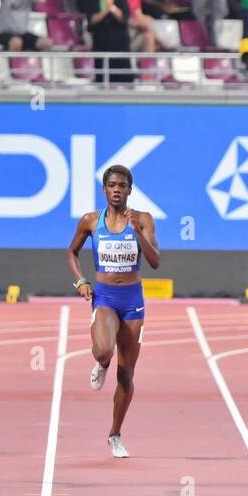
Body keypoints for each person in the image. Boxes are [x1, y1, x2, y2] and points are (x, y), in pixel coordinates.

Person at [67, 165, 160, 458]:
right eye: (111, 185)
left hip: (132, 299)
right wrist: (81, 281)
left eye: (122, 185)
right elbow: (71, 252)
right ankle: (101, 362)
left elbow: (155, 260)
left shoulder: (142, 219)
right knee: (104, 350)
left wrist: (138, 233)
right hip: (105, 296)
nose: (117, 189)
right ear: (105, 190)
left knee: (127, 375)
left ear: (130, 189)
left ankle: (115, 434)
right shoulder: (91, 222)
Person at [88, 0, 133, 84]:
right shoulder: (95, 1)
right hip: (101, 43)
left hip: (120, 45)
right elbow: (91, 21)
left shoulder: (121, 0)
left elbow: (124, 19)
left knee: (124, 78)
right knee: (103, 78)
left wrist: (112, 8)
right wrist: (106, 10)